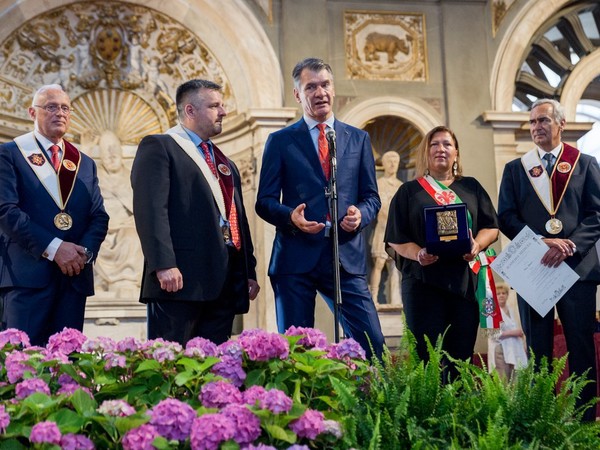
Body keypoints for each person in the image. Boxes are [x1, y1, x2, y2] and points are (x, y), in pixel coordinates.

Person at [255, 57, 385, 359]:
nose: (320, 92)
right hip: (294, 259)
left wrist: (360, 215)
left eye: (324, 84)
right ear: (298, 95)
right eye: (310, 86)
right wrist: (290, 217)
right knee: (298, 353)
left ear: (333, 88)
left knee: (373, 344)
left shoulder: (358, 138)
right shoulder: (280, 141)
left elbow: (371, 197)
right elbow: (264, 201)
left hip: (344, 256)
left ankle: (361, 404)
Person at [131, 79, 259, 346]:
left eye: (222, 105)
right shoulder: (160, 147)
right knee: (169, 365)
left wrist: (248, 271)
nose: (223, 112)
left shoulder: (225, 162)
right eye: (214, 106)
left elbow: (237, 219)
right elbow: (151, 211)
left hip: (223, 281)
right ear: (190, 111)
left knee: (215, 369)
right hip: (178, 283)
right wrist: (163, 264)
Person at [498, 98, 600, 421]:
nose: (537, 127)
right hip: (534, 268)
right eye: (532, 123)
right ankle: (540, 419)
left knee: (581, 348)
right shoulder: (516, 169)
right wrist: (541, 242)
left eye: (543, 121)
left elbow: (596, 214)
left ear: (561, 124)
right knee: (538, 350)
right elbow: (506, 217)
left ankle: (585, 421)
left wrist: (569, 244)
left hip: (577, 270)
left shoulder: (585, 164)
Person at [384, 126, 499, 376]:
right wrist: (418, 254)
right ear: (426, 152)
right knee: (428, 359)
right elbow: (395, 238)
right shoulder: (408, 192)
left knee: (460, 358)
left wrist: (476, 245)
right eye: (434, 144)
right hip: (422, 284)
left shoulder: (472, 188)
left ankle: (458, 413)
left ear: (456, 153)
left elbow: (492, 227)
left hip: (463, 283)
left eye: (447, 144)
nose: (441, 149)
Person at [0, 84, 109, 346]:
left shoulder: (84, 162)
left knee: (68, 368)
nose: (59, 112)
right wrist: (55, 248)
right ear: (32, 113)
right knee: (23, 365)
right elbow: (6, 210)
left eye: (64, 108)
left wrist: (82, 254)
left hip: (73, 278)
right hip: (26, 277)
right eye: (50, 106)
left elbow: (99, 217)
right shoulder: (10, 154)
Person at [94, 130, 142, 298]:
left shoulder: (133, 176)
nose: (111, 154)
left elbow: (141, 209)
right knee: (89, 239)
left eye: (114, 148)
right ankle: (100, 282)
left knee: (132, 236)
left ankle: (126, 281)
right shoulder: (93, 177)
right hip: (101, 228)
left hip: (126, 226)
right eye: (106, 150)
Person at [369, 151, 402, 306]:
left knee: (395, 266)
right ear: (383, 163)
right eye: (389, 160)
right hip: (382, 229)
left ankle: (396, 299)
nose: (393, 164)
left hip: (396, 232)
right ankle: (373, 297)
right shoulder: (379, 183)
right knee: (379, 264)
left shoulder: (401, 186)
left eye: (395, 161)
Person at [487, 283, 527, 380]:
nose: (501, 295)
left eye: (503, 293)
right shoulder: (492, 310)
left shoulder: (511, 310)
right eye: (498, 293)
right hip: (500, 349)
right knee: (503, 381)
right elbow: (492, 334)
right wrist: (514, 333)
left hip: (514, 348)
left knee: (516, 382)